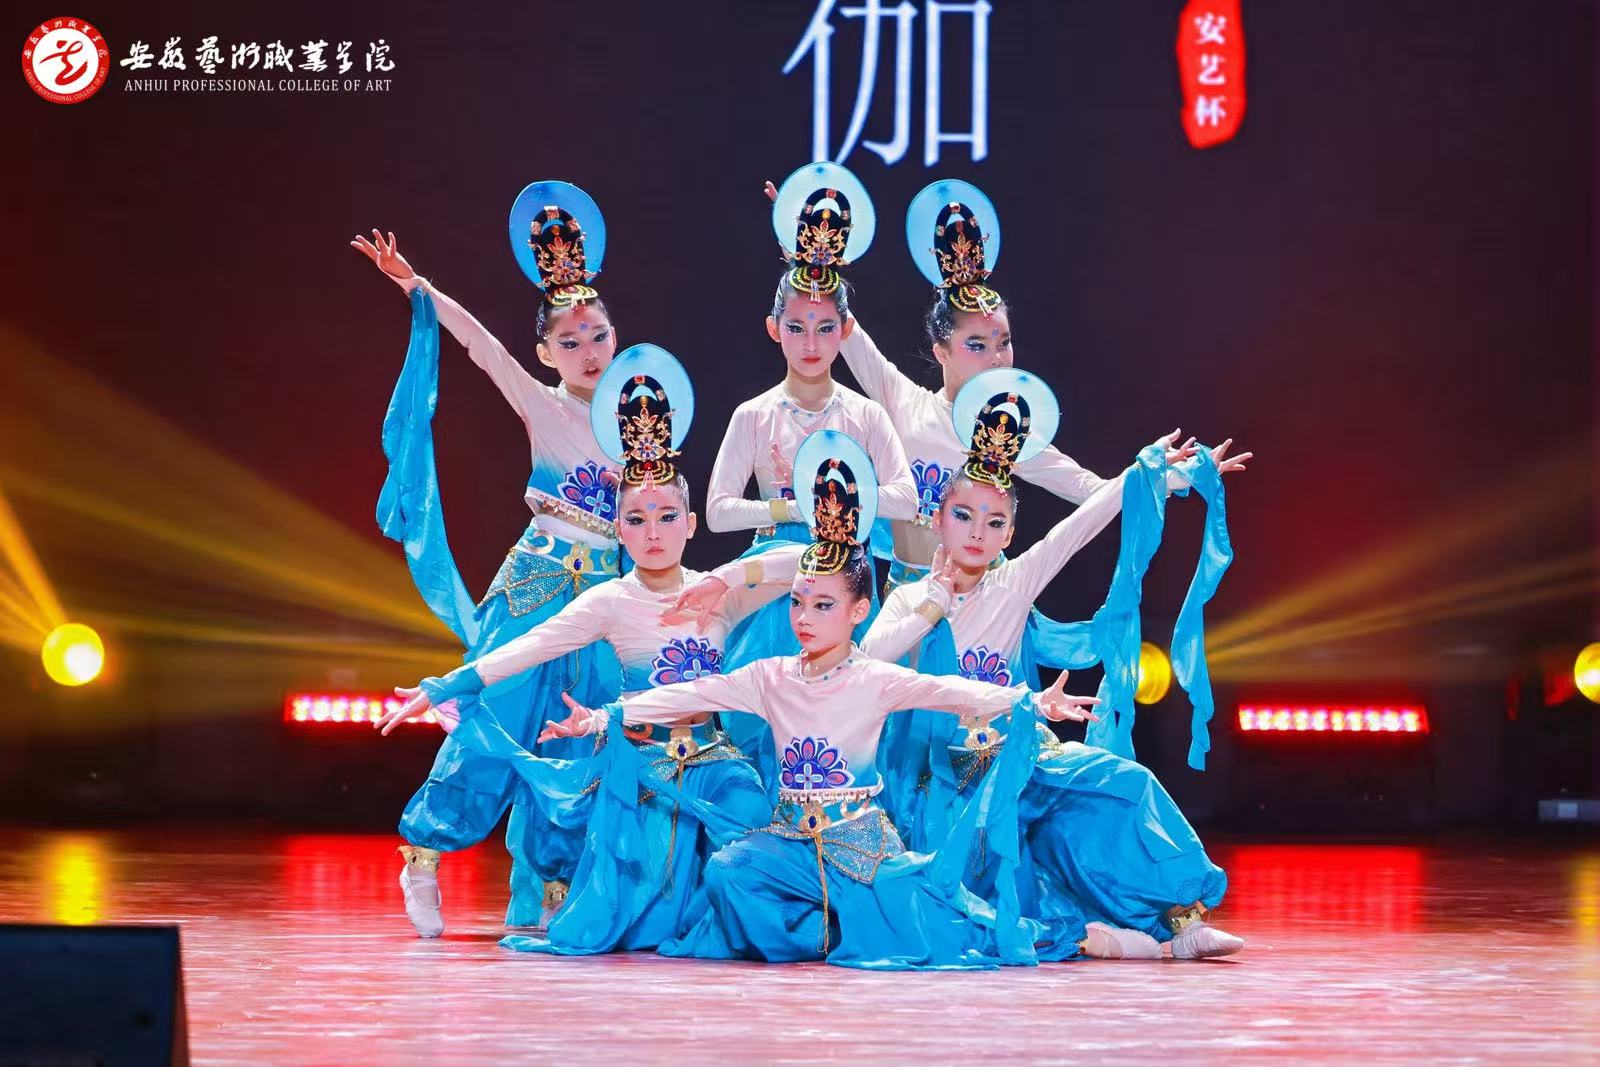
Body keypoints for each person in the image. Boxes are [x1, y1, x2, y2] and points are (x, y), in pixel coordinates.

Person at [540, 430, 1153, 969]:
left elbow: (951, 689)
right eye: (798, 603)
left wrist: (1031, 703)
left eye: (823, 605)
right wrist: (601, 718)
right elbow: (689, 690)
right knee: (728, 873)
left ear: (858, 612)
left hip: (859, 843)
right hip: (791, 840)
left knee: (939, 921)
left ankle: (1083, 936)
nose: (805, 618)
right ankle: (827, 936)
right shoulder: (771, 675)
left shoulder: (874, 675)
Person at [381, 345, 803, 952]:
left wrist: (730, 578)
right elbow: (530, 647)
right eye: (637, 519)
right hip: (643, 774)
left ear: (690, 524)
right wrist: (446, 685)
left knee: (752, 860)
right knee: (634, 922)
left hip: (714, 766)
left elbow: (809, 560)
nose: (653, 533)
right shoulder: (610, 601)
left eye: (667, 516)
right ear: (618, 528)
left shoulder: (717, 594)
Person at [862, 370, 1248, 959]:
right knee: (990, 886)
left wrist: (1162, 475)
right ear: (937, 518)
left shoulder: (1013, 584)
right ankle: (1084, 934)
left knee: (1126, 784)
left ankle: (1183, 922)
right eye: (963, 515)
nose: (977, 532)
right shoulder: (908, 599)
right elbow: (870, 661)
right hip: (948, 782)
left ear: (1009, 533)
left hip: (1022, 751)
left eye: (995, 522)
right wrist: (932, 605)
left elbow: (1081, 524)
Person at [352, 181, 624, 936]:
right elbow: (481, 347)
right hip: (538, 582)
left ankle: (556, 885)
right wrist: (416, 286)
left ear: (617, 339)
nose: (587, 352)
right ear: (546, 353)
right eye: (569, 342)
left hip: (603, 596)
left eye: (597, 336)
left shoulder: (643, 418)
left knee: (579, 732)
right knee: (492, 720)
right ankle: (422, 855)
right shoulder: (543, 403)